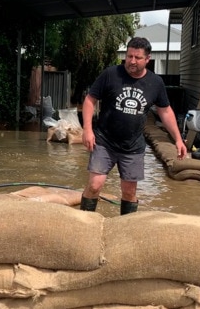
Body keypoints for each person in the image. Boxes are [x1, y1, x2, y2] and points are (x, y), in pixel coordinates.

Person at [80, 37, 187, 214]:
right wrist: (87, 129)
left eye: (137, 58)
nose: (132, 61)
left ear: (147, 59)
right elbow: (90, 100)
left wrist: (178, 139)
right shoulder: (110, 74)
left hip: (133, 146)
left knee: (129, 191)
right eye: (129, 56)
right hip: (104, 141)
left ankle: (125, 230)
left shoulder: (156, 82)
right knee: (94, 185)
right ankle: (85, 221)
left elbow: (165, 111)